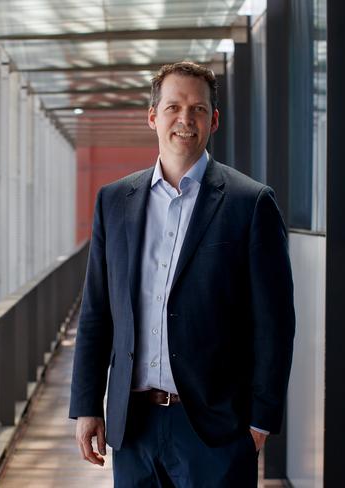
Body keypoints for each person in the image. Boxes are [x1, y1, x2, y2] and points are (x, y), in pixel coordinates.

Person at [69, 61, 295, 487]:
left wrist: (261, 421)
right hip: (134, 427)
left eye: (197, 108)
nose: (184, 119)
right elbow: (97, 312)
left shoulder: (251, 203)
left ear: (214, 119)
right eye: (173, 107)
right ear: (153, 116)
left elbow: (275, 323)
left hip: (216, 428)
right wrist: (87, 406)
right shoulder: (114, 202)